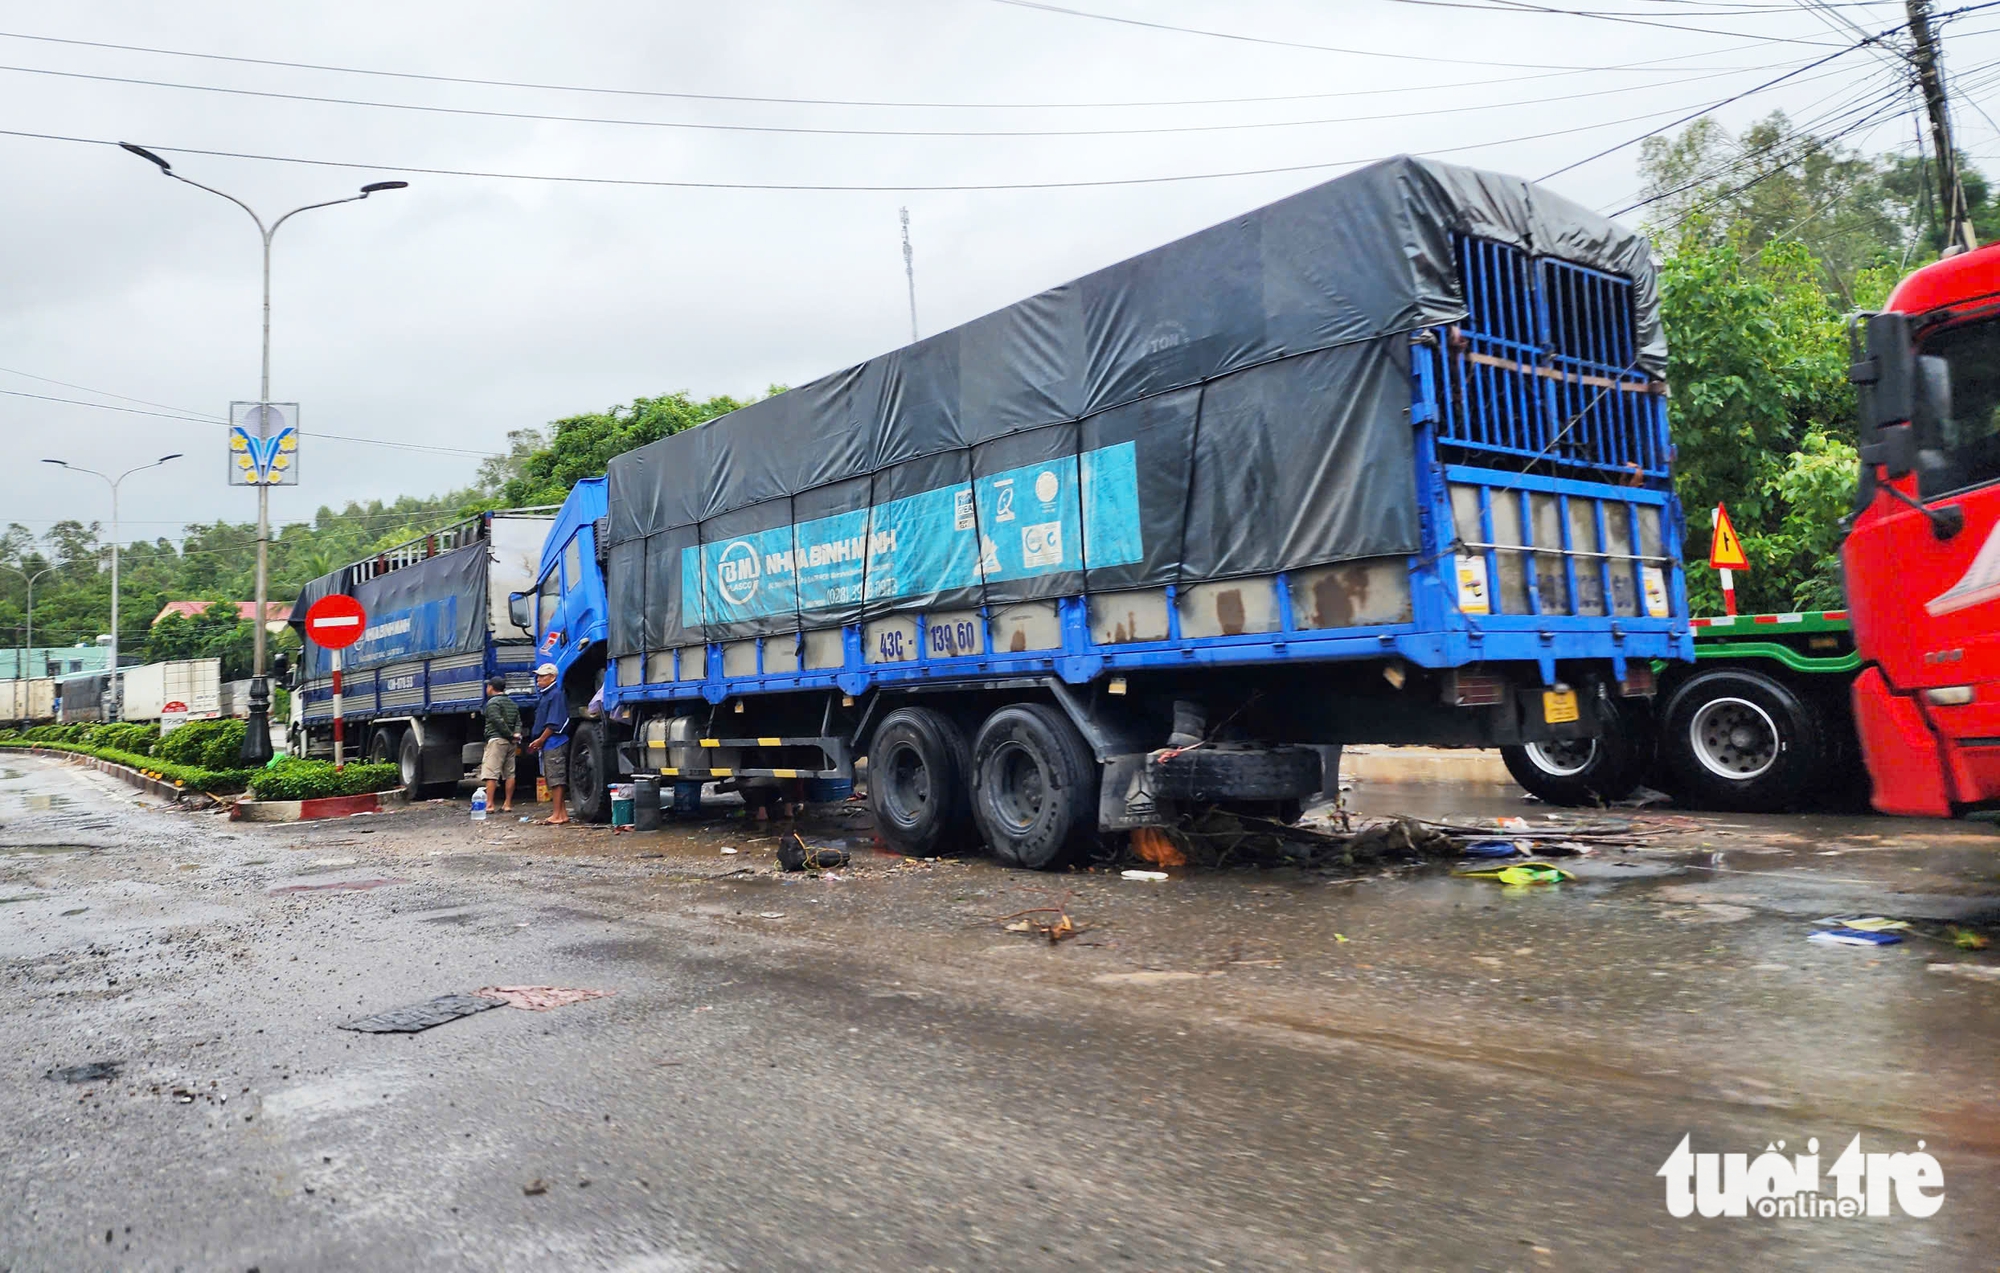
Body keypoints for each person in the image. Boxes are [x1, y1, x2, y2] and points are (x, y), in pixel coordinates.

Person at [525, 663, 572, 825]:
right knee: (552, 778)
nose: (538, 680)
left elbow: (553, 723)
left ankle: (557, 814)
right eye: (538, 676)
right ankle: (562, 814)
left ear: (552, 677)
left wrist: (541, 740)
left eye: (542, 676)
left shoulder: (555, 695)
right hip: (548, 743)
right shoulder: (546, 695)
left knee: (556, 779)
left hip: (554, 742)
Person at [479, 675, 522, 814]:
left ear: (491, 687)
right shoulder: (512, 703)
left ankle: (489, 805)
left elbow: (498, 721)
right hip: (511, 743)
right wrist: (515, 735)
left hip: (497, 741)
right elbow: (518, 722)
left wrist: (508, 735)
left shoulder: (492, 704)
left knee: (491, 773)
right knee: (510, 774)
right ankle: (507, 804)